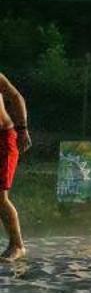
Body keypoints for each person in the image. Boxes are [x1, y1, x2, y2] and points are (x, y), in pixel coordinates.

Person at [0, 71, 29, 261]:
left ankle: (17, 245)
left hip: (3, 138)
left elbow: (16, 96)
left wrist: (23, 128)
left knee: (0, 197)